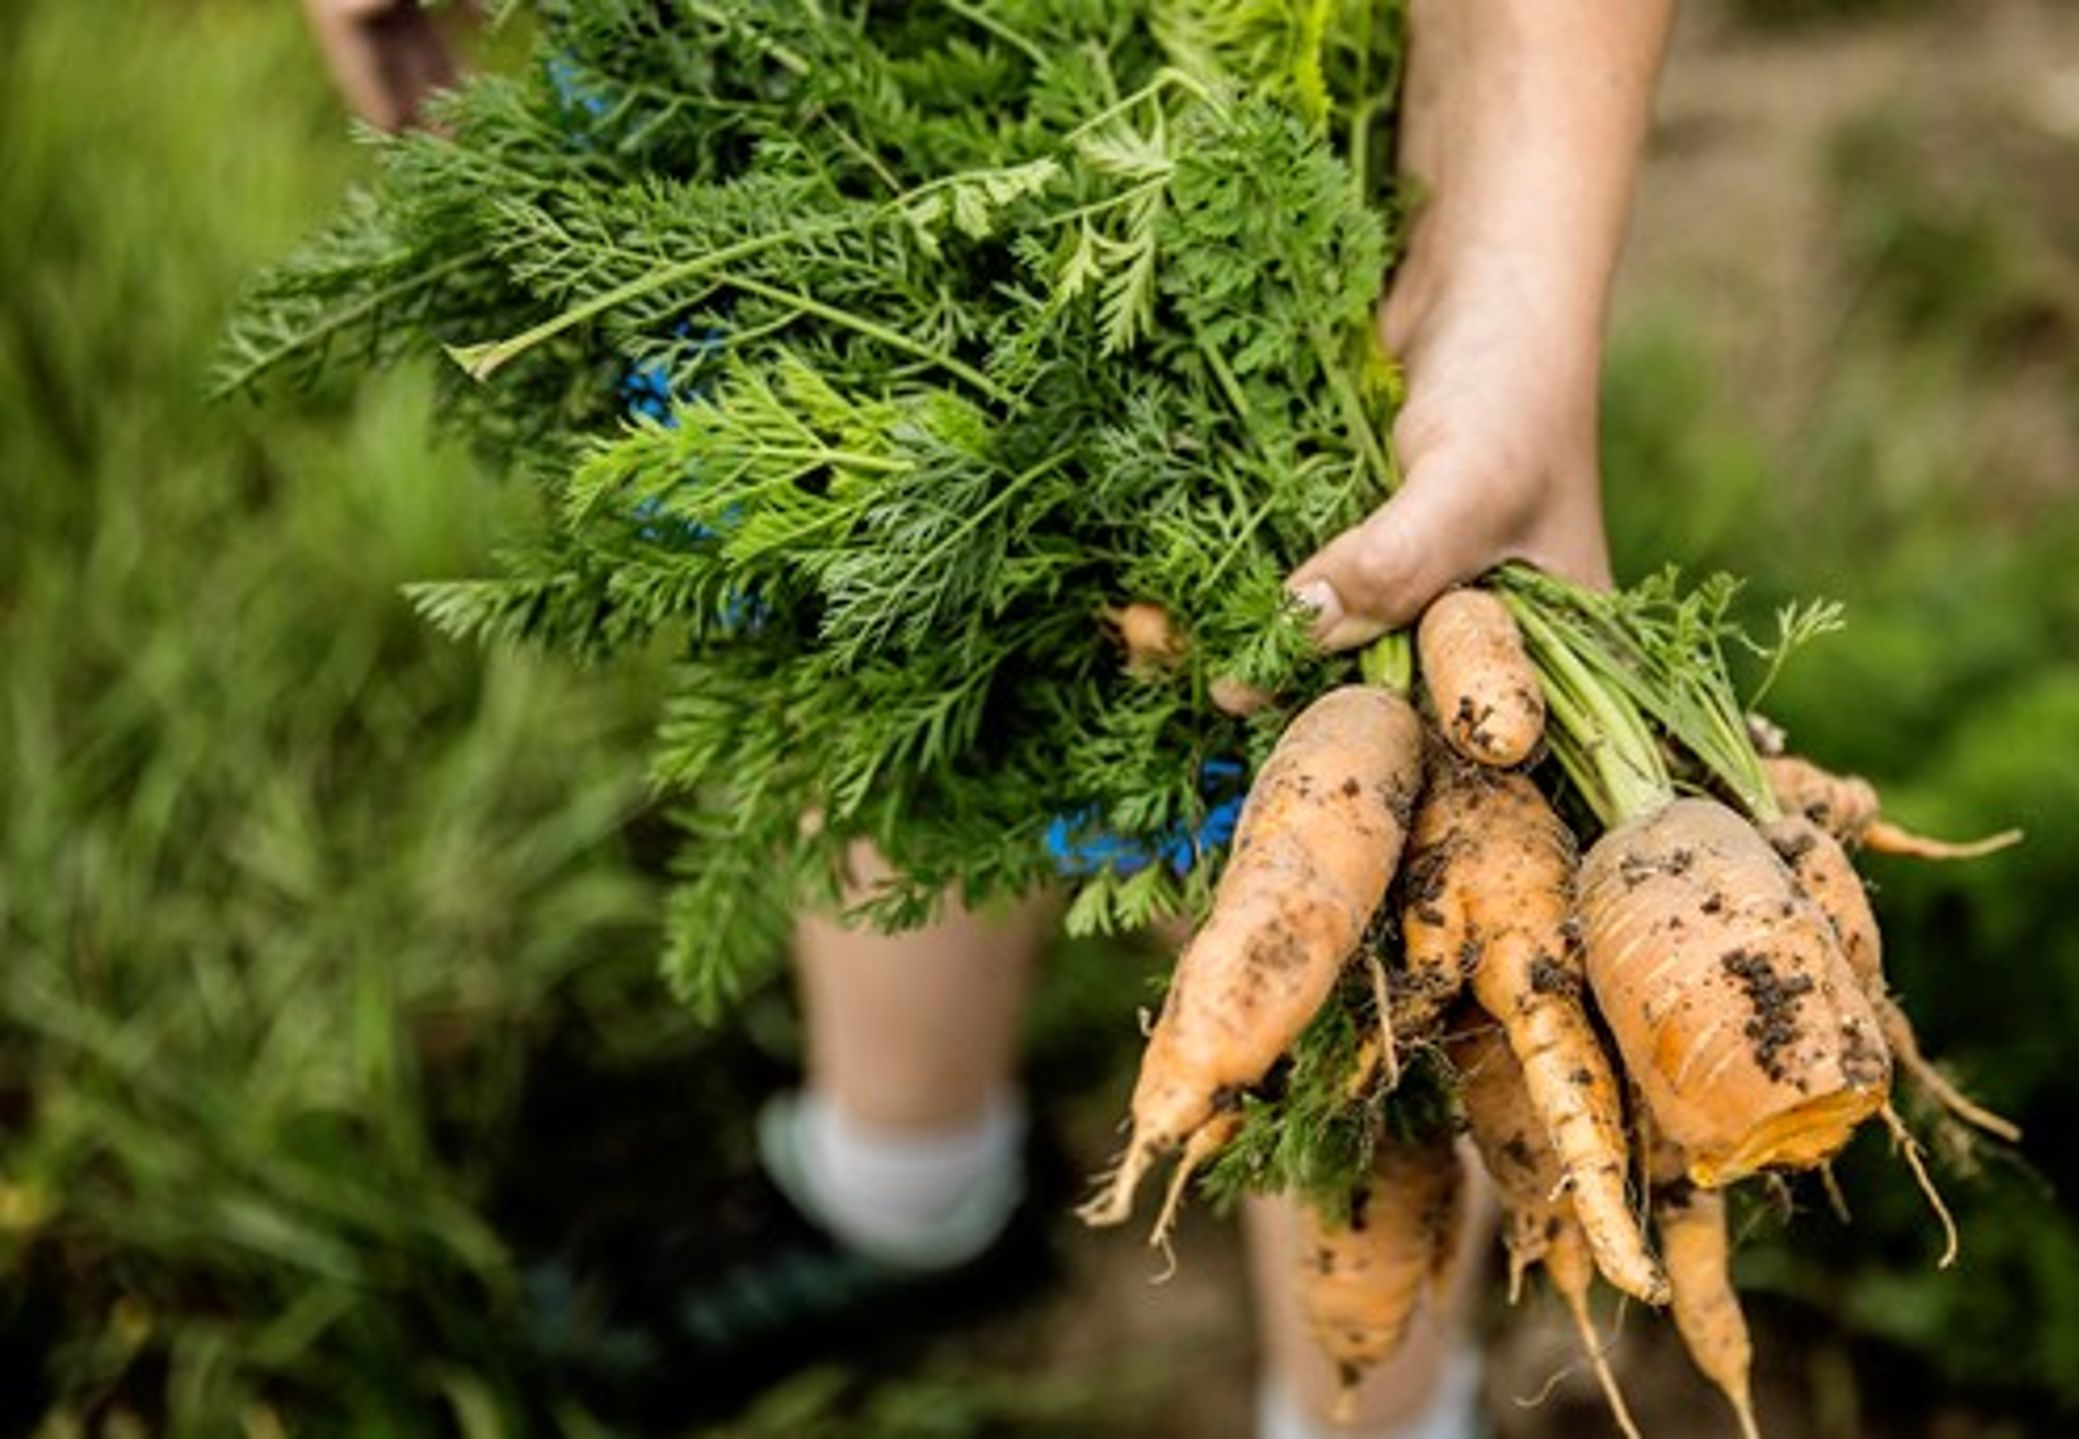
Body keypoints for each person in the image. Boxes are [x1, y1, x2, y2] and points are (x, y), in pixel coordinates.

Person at [305, 2, 1673, 1434]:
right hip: (747, 73)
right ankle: (900, 1179)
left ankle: (1374, 1415)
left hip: (1218, 106)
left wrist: (1515, 277)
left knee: (1331, 847)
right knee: (852, 556)